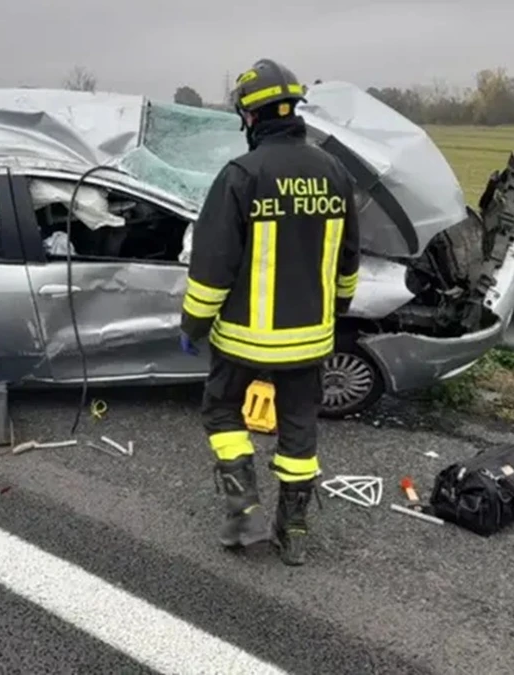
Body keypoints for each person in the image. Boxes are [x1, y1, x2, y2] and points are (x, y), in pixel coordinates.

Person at [178, 59, 362, 567]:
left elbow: (212, 267)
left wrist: (192, 324)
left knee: (221, 409)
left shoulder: (241, 175)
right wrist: (334, 310)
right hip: (310, 339)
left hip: (242, 338)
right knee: (299, 427)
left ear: (249, 117)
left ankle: (246, 510)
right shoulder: (335, 173)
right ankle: (295, 528)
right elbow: (349, 261)